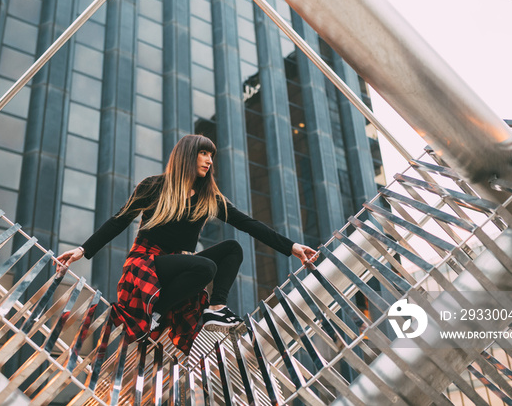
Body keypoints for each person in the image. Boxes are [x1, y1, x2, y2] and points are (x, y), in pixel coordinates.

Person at [57, 134, 317, 355]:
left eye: (211, 155)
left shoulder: (208, 198)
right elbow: (118, 221)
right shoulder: (154, 186)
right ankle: (155, 313)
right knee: (204, 267)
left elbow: (249, 224)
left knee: (232, 249)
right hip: (145, 266)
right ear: (187, 155)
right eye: (203, 153)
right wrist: (82, 250)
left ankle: (216, 308)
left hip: (180, 267)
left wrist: (292, 247)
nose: (209, 160)